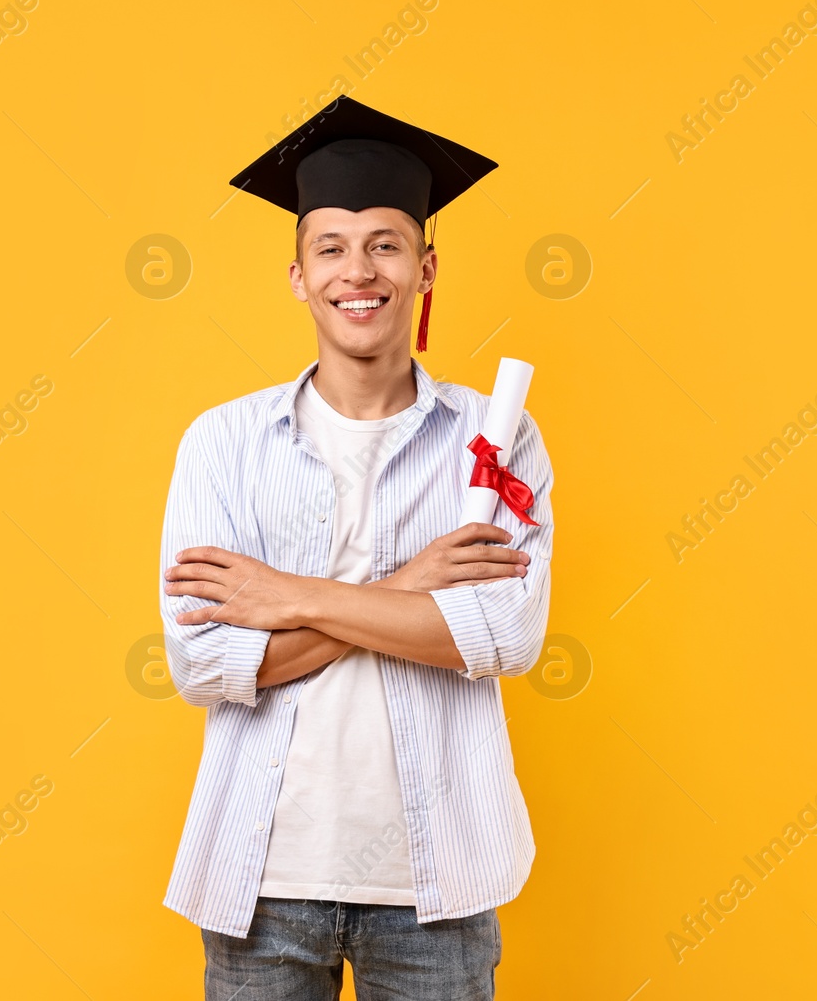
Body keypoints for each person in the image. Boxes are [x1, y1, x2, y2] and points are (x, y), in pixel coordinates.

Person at [158, 95, 556, 1000]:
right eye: (330, 247)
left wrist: (289, 598)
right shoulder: (223, 444)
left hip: (438, 886)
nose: (358, 270)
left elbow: (498, 638)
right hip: (262, 880)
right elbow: (207, 663)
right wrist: (415, 587)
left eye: (385, 242)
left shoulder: (494, 442)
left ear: (425, 266)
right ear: (298, 275)